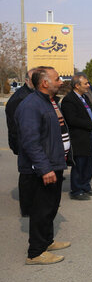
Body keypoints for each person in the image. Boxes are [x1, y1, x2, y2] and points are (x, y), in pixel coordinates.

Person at [15, 67, 72, 265]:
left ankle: (47, 242)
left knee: (50, 207)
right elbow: (31, 141)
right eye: (57, 78)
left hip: (53, 163)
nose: (61, 81)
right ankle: (35, 253)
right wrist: (44, 168)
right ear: (45, 83)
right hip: (41, 168)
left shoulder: (48, 101)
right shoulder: (31, 105)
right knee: (41, 209)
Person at [60, 73, 92, 200]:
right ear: (77, 85)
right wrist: (91, 125)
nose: (88, 86)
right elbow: (72, 119)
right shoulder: (69, 100)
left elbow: (91, 114)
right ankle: (76, 190)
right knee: (80, 165)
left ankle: (86, 186)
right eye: (86, 84)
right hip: (79, 137)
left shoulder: (85, 98)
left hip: (90, 136)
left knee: (89, 164)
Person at [5, 67, 37, 217]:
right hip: (24, 142)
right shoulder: (20, 97)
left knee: (33, 173)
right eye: (34, 78)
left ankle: (33, 201)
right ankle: (27, 208)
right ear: (27, 80)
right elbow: (16, 126)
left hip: (31, 142)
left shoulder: (33, 94)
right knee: (27, 174)